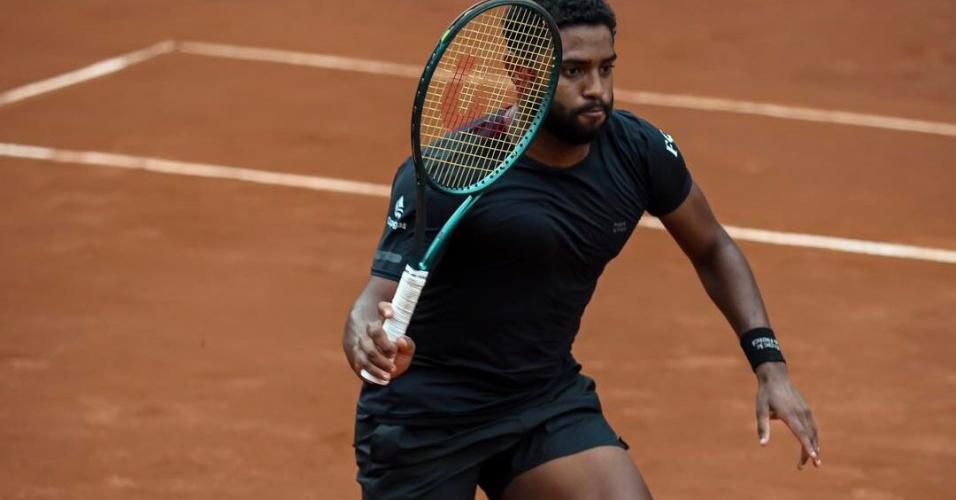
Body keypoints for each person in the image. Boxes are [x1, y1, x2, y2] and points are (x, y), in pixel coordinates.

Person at [342, 1, 821, 498]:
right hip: (426, 419)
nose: (597, 89)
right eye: (574, 71)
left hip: (539, 399)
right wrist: (368, 343)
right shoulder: (453, 171)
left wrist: (771, 367)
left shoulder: (638, 152)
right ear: (523, 74)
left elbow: (713, 247)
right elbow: (372, 301)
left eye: (605, 68)